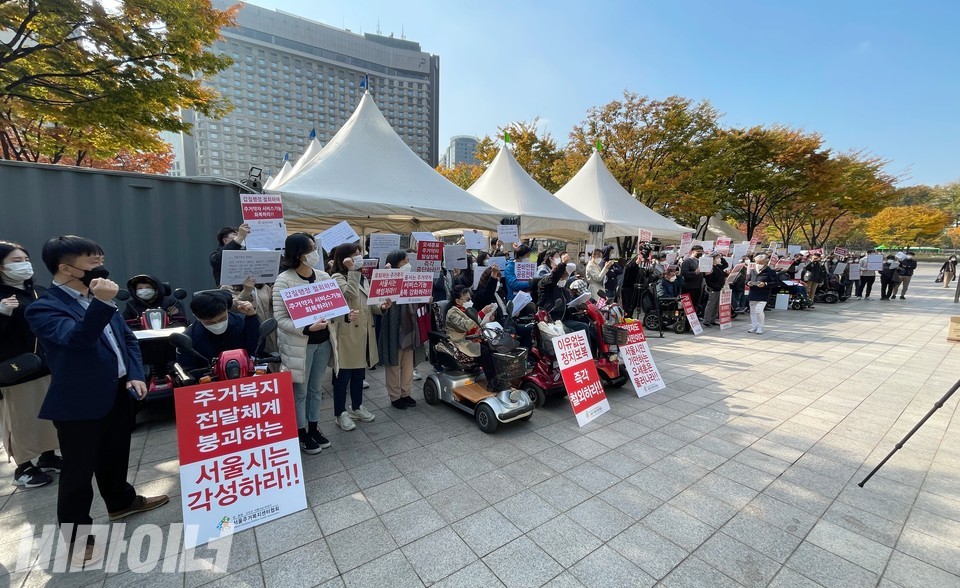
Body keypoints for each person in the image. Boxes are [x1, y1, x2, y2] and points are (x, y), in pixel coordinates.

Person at [24, 236, 168, 568]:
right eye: (92, 261)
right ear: (66, 268)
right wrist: (103, 304)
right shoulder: (44, 307)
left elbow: (126, 339)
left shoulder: (96, 297)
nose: (100, 267)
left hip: (118, 390)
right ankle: (76, 539)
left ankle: (121, 501)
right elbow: (76, 342)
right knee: (78, 472)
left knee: (115, 454)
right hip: (79, 401)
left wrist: (133, 373)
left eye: (100, 257)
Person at [0, 241, 61, 489]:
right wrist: (1, 314)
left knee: (48, 416)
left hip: (45, 365)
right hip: (16, 372)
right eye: (15, 262)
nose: (23, 265)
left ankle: (48, 456)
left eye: (25, 259)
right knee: (22, 419)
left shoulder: (37, 291)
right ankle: (23, 468)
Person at [273, 233, 341, 455]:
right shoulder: (284, 280)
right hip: (300, 346)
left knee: (315, 390)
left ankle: (314, 427)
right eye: (310, 249)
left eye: (314, 247)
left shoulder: (323, 276)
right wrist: (305, 329)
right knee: (300, 392)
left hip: (324, 342)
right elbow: (280, 319)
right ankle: (300, 432)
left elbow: (333, 307)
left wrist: (345, 315)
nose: (315, 253)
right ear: (298, 254)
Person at [330, 242, 387, 431]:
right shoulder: (337, 276)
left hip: (363, 332)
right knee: (342, 377)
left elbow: (369, 302)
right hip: (346, 333)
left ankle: (356, 407)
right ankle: (340, 413)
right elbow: (350, 294)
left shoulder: (363, 277)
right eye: (354, 254)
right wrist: (352, 270)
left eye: (359, 253)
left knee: (358, 374)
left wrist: (382, 307)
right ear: (344, 258)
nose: (359, 256)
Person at [377, 250, 424, 410]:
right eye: (404, 261)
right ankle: (395, 396)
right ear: (395, 263)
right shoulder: (386, 279)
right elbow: (379, 302)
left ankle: (406, 393)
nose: (408, 264)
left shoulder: (411, 279)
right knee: (394, 364)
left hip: (409, 327)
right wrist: (388, 275)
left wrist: (425, 298)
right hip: (393, 326)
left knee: (408, 364)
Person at [179, 291, 260, 371]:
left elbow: (258, 348)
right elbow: (189, 371)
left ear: (227, 309)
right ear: (197, 317)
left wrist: (252, 317)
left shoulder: (243, 321)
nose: (217, 324)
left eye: (222, 318)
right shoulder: (188, 339)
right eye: (210, 322)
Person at [444, 285, 495, 369]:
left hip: (470, 338)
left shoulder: (465, 310)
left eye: (470, 299)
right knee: (485, 350)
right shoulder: (452, 313)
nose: (470, 302)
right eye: (467, 300)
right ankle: (492, 379)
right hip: (459, 341)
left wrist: (487, 318)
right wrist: (481, 313)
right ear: (458, 301)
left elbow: (476, 324)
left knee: (492, 345)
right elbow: (466, 326)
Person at [121, 274, 187, 328]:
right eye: (140, 288)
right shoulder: (131, 305)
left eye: (148, 288)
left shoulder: (172, 303)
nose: (144, 290)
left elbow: (181, 322)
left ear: (156, 289)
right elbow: (124, 325)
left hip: (169, 339)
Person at [746, 254, 777, 334]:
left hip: (763, 293)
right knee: (752, 311)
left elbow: (775, 282)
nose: (758, 265)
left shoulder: (770, 271)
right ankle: (754, 326)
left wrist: (765, 284)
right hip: (753, 292)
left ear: (765, 263)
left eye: (761, 263)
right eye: (757, 262)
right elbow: (747, 280)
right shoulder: (753, 270)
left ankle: (760, 327)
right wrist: (748, 283)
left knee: (759, 310)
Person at [702, 253, 727, 327]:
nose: (719, 259)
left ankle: (712, 320)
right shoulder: (709, 268)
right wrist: (716, 287)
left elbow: (725, 265)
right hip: (713, 288)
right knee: (711, 305)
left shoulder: (718, 267)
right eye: (717, 258)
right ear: (712, 259)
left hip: (719, 288)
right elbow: (709, 280)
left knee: (716, 305)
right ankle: (706, 320)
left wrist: (722, 257)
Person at [680, 245, 705, 312]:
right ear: (693, 252)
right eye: (698, 251)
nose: (700, 253)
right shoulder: (687, 261)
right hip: (689, 287)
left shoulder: (700, 261)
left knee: (695, 305)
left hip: (698, 287)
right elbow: (684, 273)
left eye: (701, 251)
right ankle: (686, 321)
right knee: (688, 306)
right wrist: (695, 273)